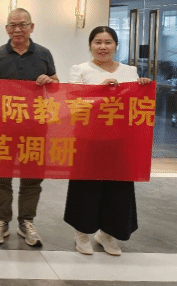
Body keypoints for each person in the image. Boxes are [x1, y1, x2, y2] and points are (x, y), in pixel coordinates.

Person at [65, 25, 152, 256]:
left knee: (118, 190)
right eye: (98, 42)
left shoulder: (130, 71)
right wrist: (98, 91)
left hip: (120, 141)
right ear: (90, 46)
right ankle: (81, 234)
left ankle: (107, 234)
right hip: (88, 139)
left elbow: (135, 104)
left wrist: (143, 88)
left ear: (116, 45)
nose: (102, 47)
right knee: (86, 188)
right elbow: (73, 104)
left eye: (108, 42)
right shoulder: (80, 70)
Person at [0, 8, 58, 247]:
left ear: (31, 27)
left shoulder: (44, 54)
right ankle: (1, 220)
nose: (18, 30)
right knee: (0, 177)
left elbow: (57, 85)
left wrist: (50, 81)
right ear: (7, 29)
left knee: (32, 177)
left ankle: (26, 221)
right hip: (2, 126)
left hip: (35, 126)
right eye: (13, 25)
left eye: (23, 25)